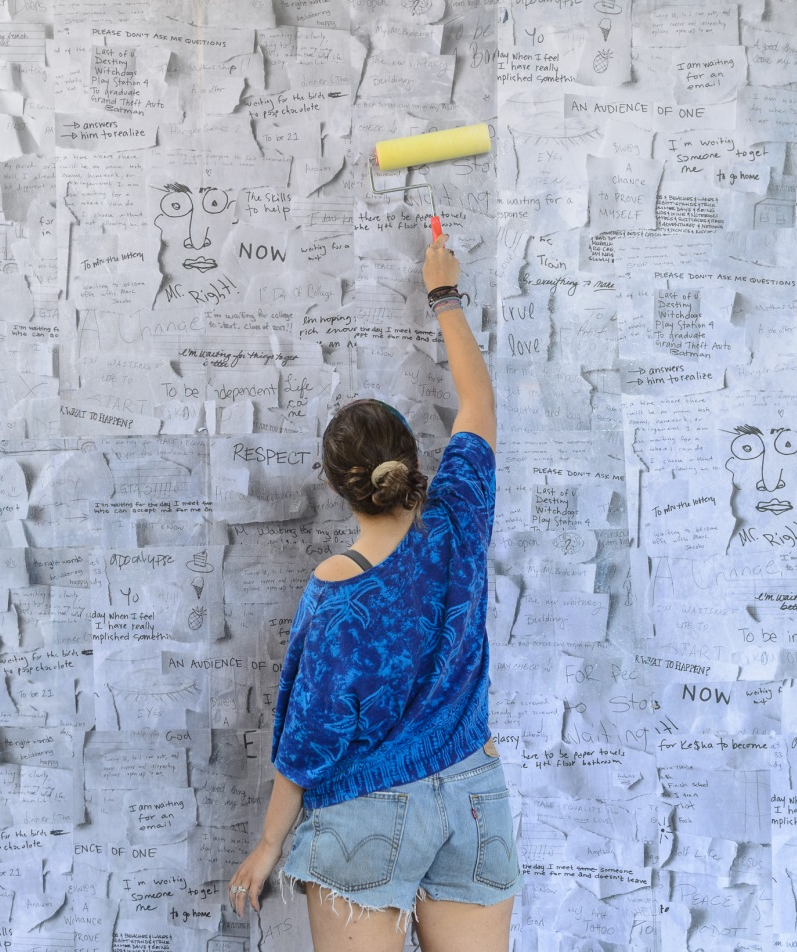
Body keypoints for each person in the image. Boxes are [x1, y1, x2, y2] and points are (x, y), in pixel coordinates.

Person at [228, 234, 518, 952]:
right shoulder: (459, 519)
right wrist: (443, 293)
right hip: (472, 802)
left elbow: (308, 742)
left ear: (339, 488)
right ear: (411, 461)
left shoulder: (336, 594)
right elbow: (479, 401)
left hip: (365, 821)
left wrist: (270, 845)